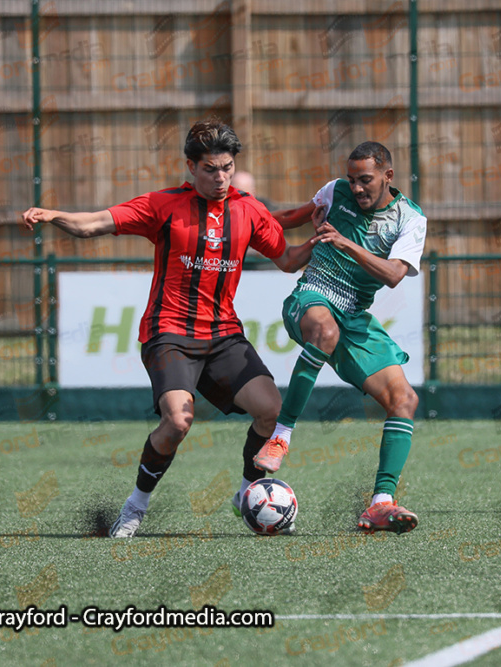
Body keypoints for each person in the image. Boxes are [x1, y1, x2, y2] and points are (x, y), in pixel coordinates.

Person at [21, 119, 316, 538]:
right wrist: (53, 215)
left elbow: (287, 259)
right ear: (191, 167)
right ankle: (135, 507)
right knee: (178, 422)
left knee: (271, 411)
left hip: (223, 335)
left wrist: (321, 241)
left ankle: (249, 491)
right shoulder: (163, 206)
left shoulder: (248, 209)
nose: (220, 177)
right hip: (169, 333)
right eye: (211, 169)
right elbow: (94, 224)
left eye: (227, 168)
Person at [254, 141, 427, 534]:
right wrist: (242, 218)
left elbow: (394, 274)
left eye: (365, 180)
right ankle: (281, 436)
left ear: (388, 176)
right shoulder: (335, 192)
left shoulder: (410, 219)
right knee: (325, 330)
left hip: (354, 314)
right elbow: (289, 217)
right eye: (352, 180)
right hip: (312, 295)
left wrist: (347, 243)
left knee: (404, 399)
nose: (357, 188)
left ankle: (381, 503)